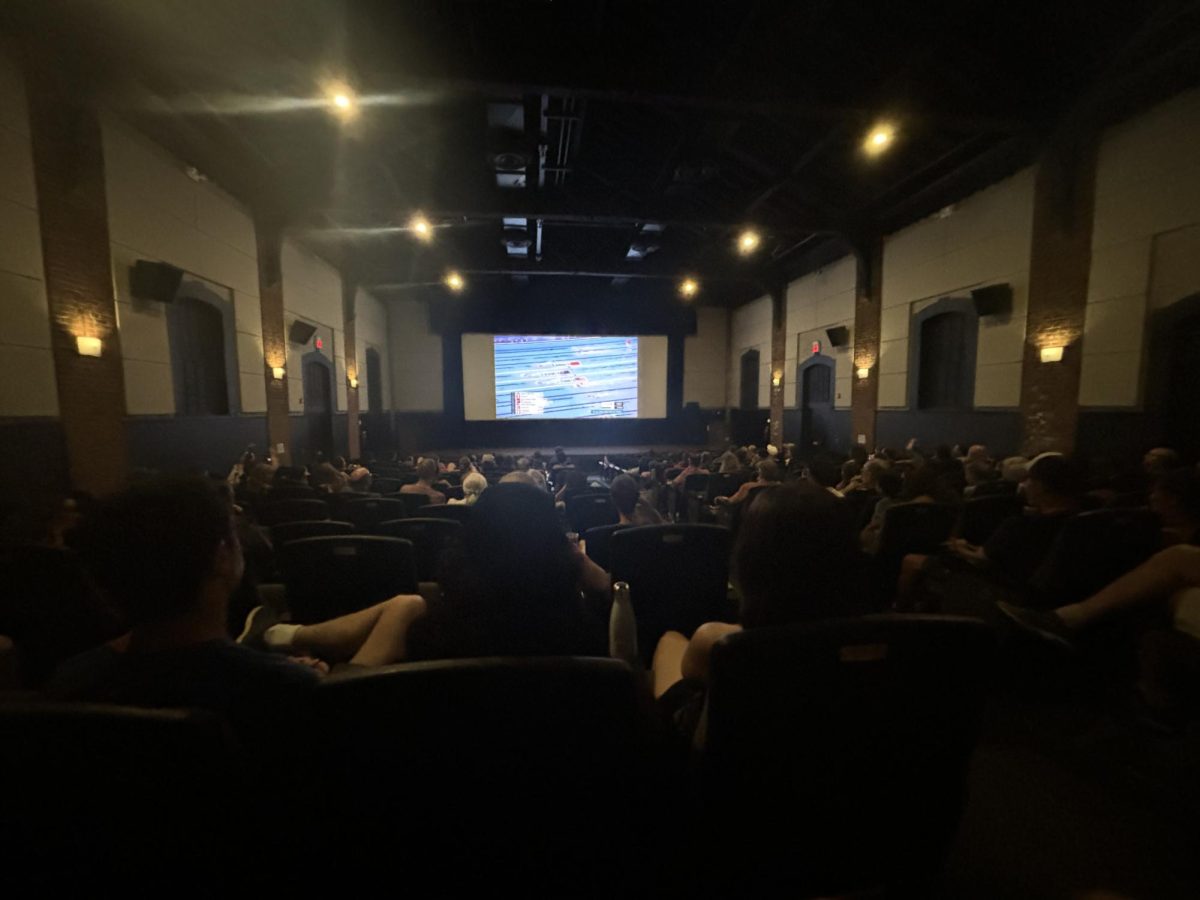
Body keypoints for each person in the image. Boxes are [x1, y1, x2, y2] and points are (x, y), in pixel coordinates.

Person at [651, 482, 872, 739]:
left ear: (751, 559)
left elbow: (689, 676)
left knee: (669, 640)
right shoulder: (877, 645)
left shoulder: (720, 642)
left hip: (736, 762)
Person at [716, 459, 783, 505]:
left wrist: (721, 499)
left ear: (760, 472)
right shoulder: (781, 488)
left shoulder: (748, 487)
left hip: (750, 519)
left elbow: (731, 501)